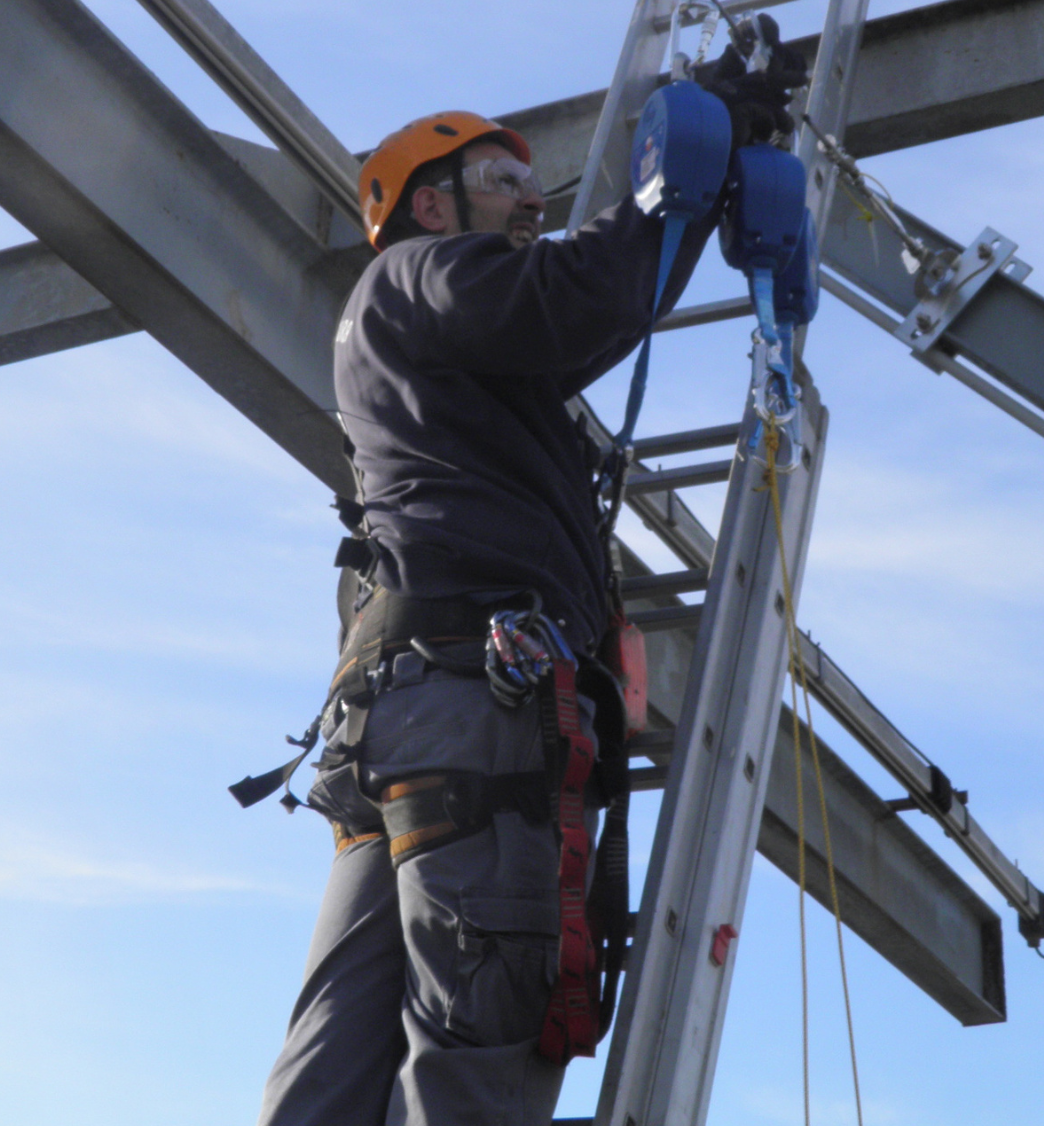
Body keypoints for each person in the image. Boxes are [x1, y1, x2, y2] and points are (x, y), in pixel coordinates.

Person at [253, 109, 722, 1126]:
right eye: (503, 181)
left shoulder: (438, 344)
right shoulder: (421, 274)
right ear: (432, 207)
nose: (534, 200)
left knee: (336, 1058)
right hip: (472, 711)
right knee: (479, 1043)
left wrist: (689, 209)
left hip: (411, 717)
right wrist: (671, 188)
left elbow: (593, 311)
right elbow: (571, 298)